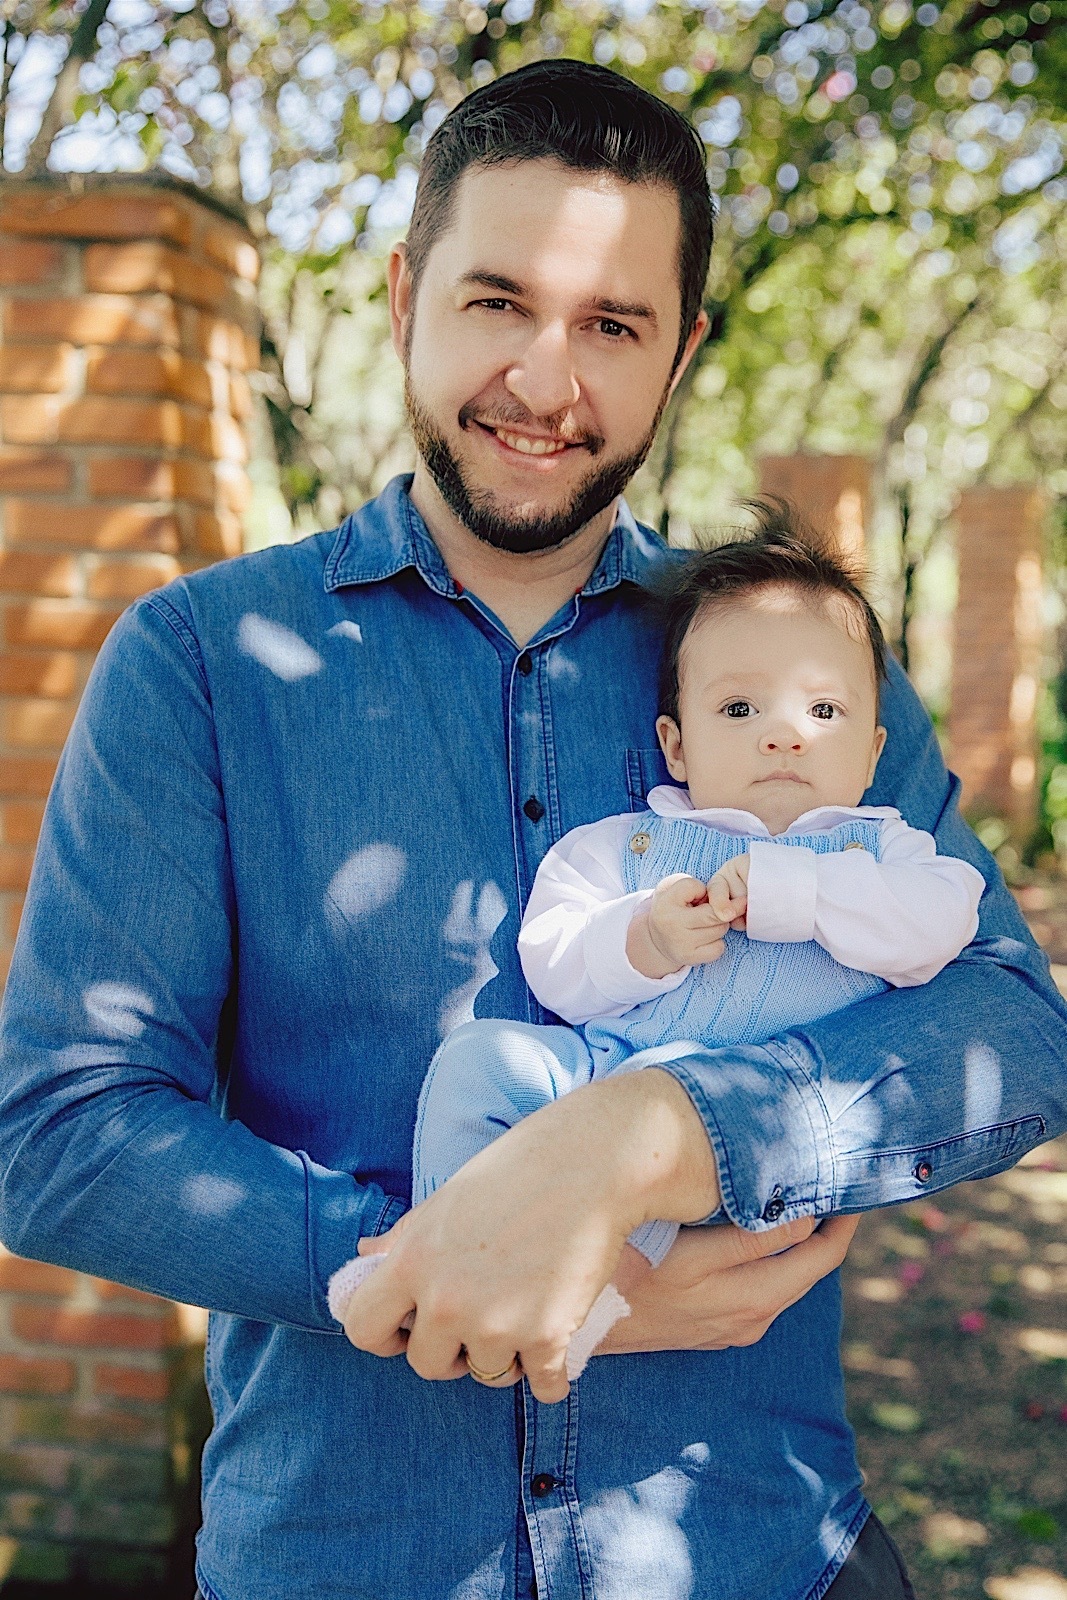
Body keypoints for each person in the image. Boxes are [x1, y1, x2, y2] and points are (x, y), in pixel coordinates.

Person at [0, 59, 1063, 1600]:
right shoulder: (202, 665)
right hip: (349, 1562)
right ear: (401, 293)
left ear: (681, 350)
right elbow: (65, 1132)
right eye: (496, 301)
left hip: (761, 1557)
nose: (544, 383)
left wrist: (667, 1138)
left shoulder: (792, 670)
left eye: (613, 325)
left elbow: (1013, 1027)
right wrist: (458, 1264)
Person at [329, 510, 985, 1377]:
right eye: (739, 707)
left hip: (743, 1119)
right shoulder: (629, 845)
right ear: (675, 744)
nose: (781, 733)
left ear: (870, 753)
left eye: (822, 709)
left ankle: (573, 1315)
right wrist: (641, 937)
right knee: (481, 1061)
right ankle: (435, 1253)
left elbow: (941, 930)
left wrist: (799, 892)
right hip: (601, 1069)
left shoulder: (884, 849)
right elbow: (553, 962)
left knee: (645, 1115)